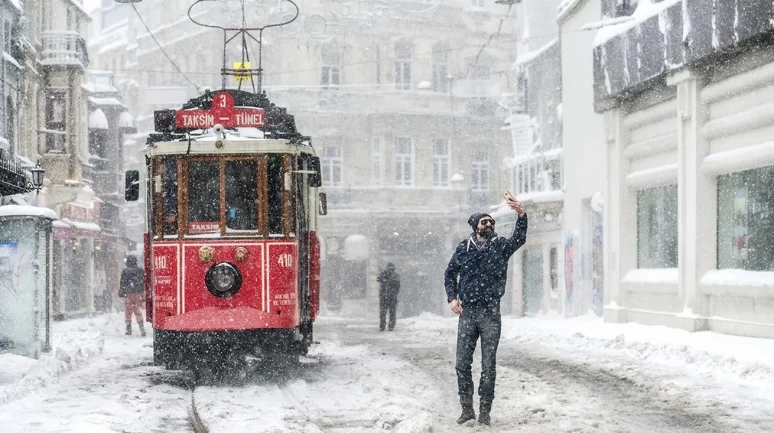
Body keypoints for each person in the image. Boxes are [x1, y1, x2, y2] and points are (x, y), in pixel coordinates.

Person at [444, 198, 527, 426]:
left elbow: (519, 238)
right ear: (475, 226)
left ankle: (485, 411)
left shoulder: (500, 246)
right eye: (484, 222)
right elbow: (449, 274)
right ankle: (467, 409)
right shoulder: (463, 249)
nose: (489, 225)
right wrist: (452, 298)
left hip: (491, 313)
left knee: (489, 364)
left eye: (491, 222)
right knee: (462, 363)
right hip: (468, 313)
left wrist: (521, 216)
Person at [118, 255, 146, 337]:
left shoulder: (125, 271)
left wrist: (121, 291)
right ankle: (142, 328)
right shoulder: (140, 271)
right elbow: (143, 282)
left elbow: (122, 282)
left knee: (128, 311)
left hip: (128, 294)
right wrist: (142, 292)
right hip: (137, 293)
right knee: (137, 310)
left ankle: (128, 328)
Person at [376, 263, 401, 331]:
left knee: (385, 313)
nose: (390, 271)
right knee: (389, 313)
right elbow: (378, 279)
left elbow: (378, 279)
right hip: (389, 297)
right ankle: (389, 326)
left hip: (387, 297)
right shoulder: (394, 275)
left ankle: (385, 326)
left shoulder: (393, 275)